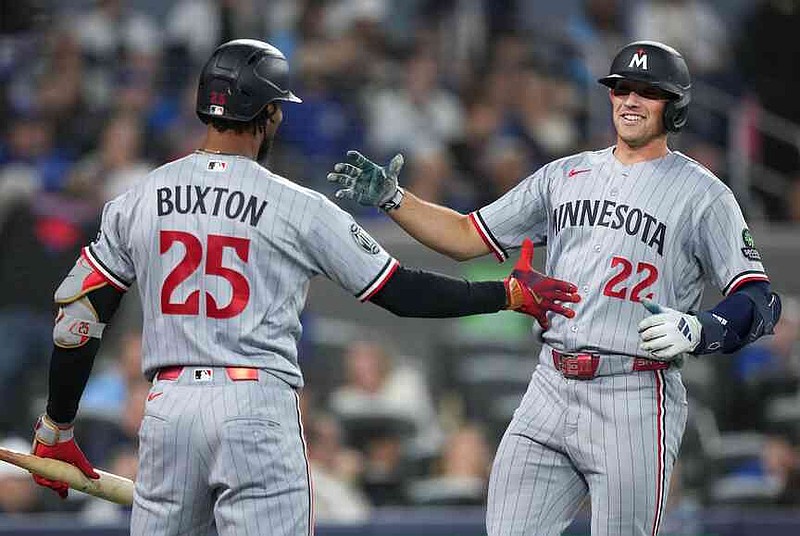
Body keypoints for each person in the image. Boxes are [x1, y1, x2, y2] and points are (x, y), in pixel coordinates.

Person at [26, 39, 580, 536]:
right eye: (277, 111)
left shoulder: (140, 195)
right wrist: (502, 294)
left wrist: (57, 424)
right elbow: (400, 291)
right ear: (267, 114)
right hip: (255, 404)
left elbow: (80, 318)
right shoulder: (296, 205)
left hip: (167, 406)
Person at [327, 40, 783, 536]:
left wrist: (700, 328)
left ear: (675, 105)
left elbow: (760, 299)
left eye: (647, 92)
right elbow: (464, 236)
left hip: (633, 388)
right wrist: (395, 199)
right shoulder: (564, 175)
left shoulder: (705, 195)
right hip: (551, 382)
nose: (630, 100)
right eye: (621, 89)